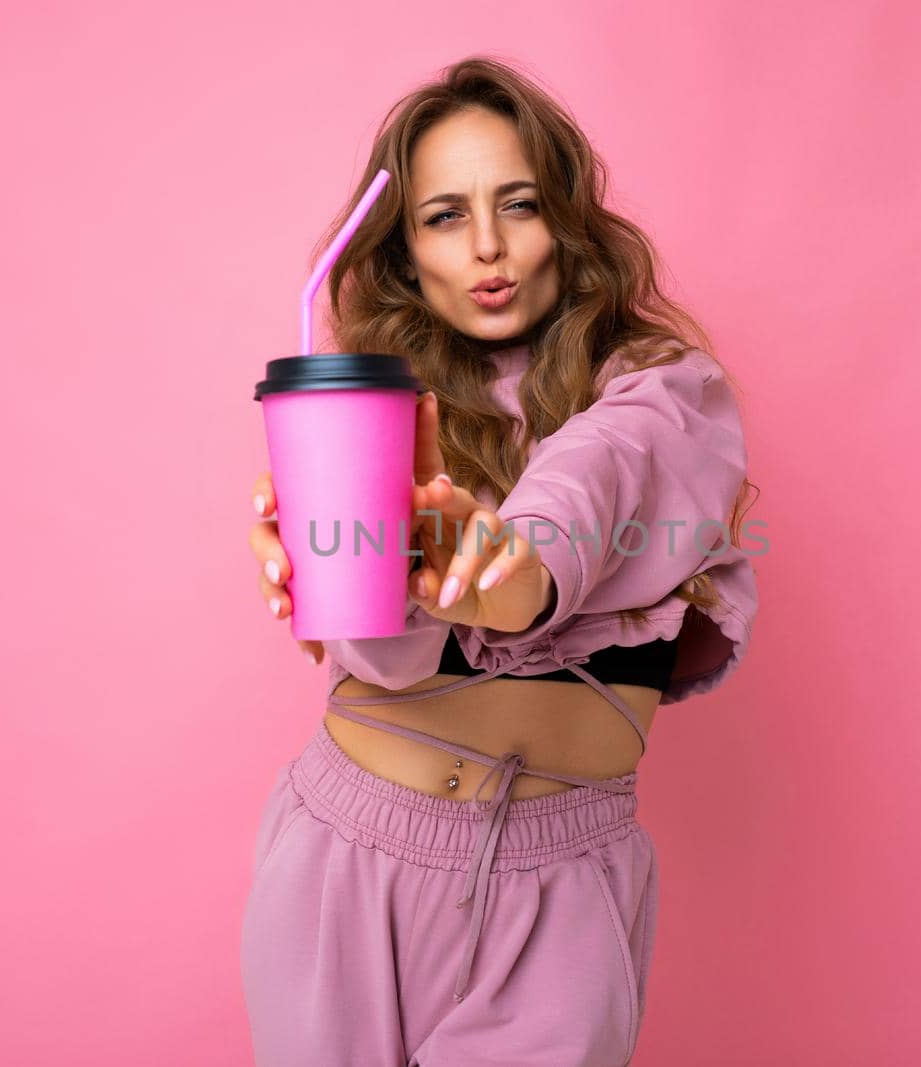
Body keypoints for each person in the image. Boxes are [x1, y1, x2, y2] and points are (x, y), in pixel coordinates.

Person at [241, 55, 759, 1066]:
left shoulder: (669, 394)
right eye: (443, 216)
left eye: (517, 203)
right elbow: (381, 660)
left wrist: (504, 570)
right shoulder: (376, 421)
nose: (488, 246)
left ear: (565, 220)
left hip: (558, 892)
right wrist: (352, 554)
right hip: (340, 860)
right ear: (403, 254)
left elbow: (591, 482)